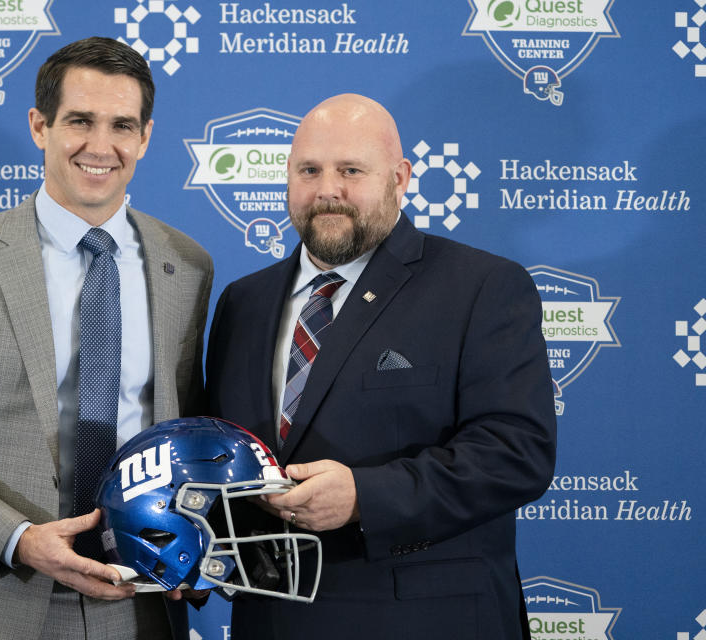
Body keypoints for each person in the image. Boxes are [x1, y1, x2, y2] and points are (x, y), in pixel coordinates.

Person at [0, 37, 213, 640]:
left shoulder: (186, 265)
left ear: (145, 137)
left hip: (137, 602)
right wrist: (21, 540)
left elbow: (188, 427)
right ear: (40, 125)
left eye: (122, 125)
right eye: (79, 121)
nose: (100, 145)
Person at [205, 93, 556, 639]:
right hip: (271, 621)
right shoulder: (241, 302)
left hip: (426, 622)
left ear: (400, 178)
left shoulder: (482, 287)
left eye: (351, 170)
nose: (328, 190)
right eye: (309, 170)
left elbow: (517, 453)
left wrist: (364, 497)